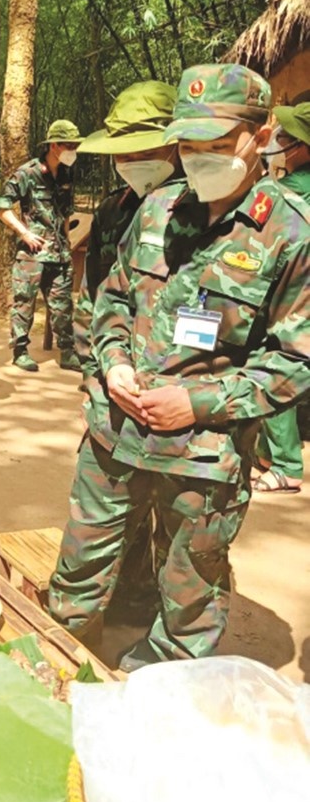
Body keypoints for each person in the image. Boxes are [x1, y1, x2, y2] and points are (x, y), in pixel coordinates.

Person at [48, 64, 310, 671]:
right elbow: (112, 298)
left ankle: (161, 691)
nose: (200, 160)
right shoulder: (160, 207)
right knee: (79, 568)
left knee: (189, 592)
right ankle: (55, 666)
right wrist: (111, 363)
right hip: (115, 434)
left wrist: (198, 402)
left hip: (201, 457)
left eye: (218, 146)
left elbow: (296, 358)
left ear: (263, 131)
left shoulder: (291, 235)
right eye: (189, 147)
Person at [73, 81, 181, 620]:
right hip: (114, 387)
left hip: (184, 403)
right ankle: (127, 591)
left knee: (176, 518)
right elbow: (100, 291)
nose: (133, 162)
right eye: (125, 153)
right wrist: (98, 366)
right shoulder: (117, 210)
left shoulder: (208, 210)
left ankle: (158, 604)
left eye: (145, 151)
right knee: (113, 503)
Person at [251, 100, 310, 493]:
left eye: (285, 136)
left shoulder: (287, 191)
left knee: (271, 360)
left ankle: (286, 463)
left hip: (291, 294)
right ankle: (268, 451)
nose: (276, 140)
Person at [0, 119, 81, 372]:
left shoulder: (67, 172)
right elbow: (1, 206)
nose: (73, 150)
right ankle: (20, 351)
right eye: (69, 145)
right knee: (24, 303)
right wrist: (25, 233)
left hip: (59, 253)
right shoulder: (27, 173)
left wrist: (68, 242)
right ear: (54, 145)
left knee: (63, 305)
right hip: (33, 253)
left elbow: (65, 213)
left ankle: (67, 352)